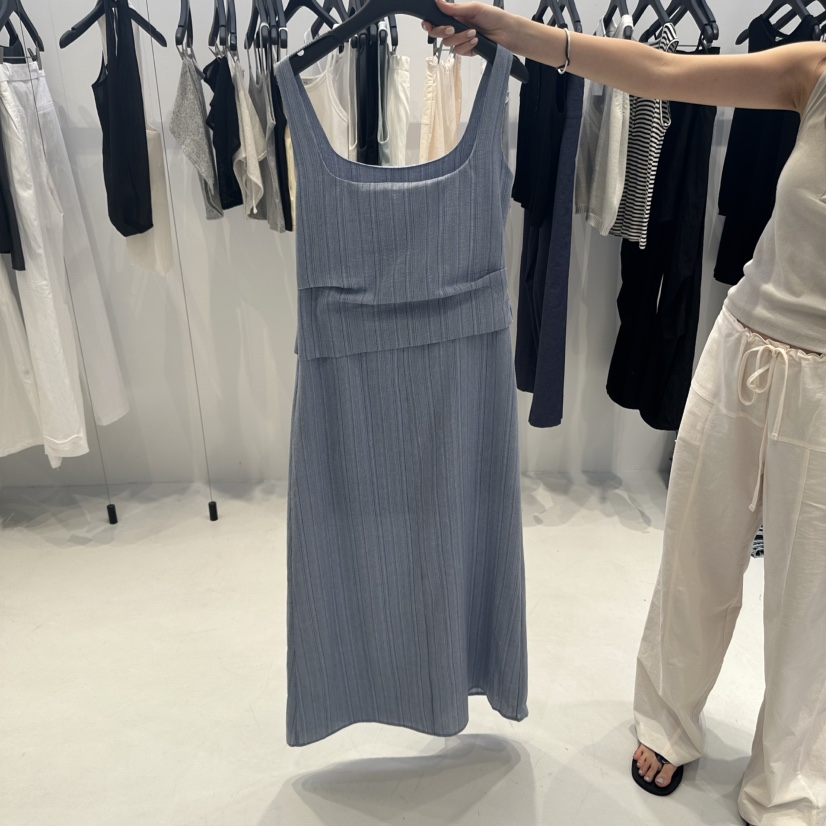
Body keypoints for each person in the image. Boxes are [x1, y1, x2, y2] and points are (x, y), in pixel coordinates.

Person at [425, 4, 826, 824]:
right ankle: (669, 720)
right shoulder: (817, 71)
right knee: (697, 552)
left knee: (811, 598)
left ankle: (787, 778)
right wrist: (510, 30)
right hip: (745, 343)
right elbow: (662, 72)